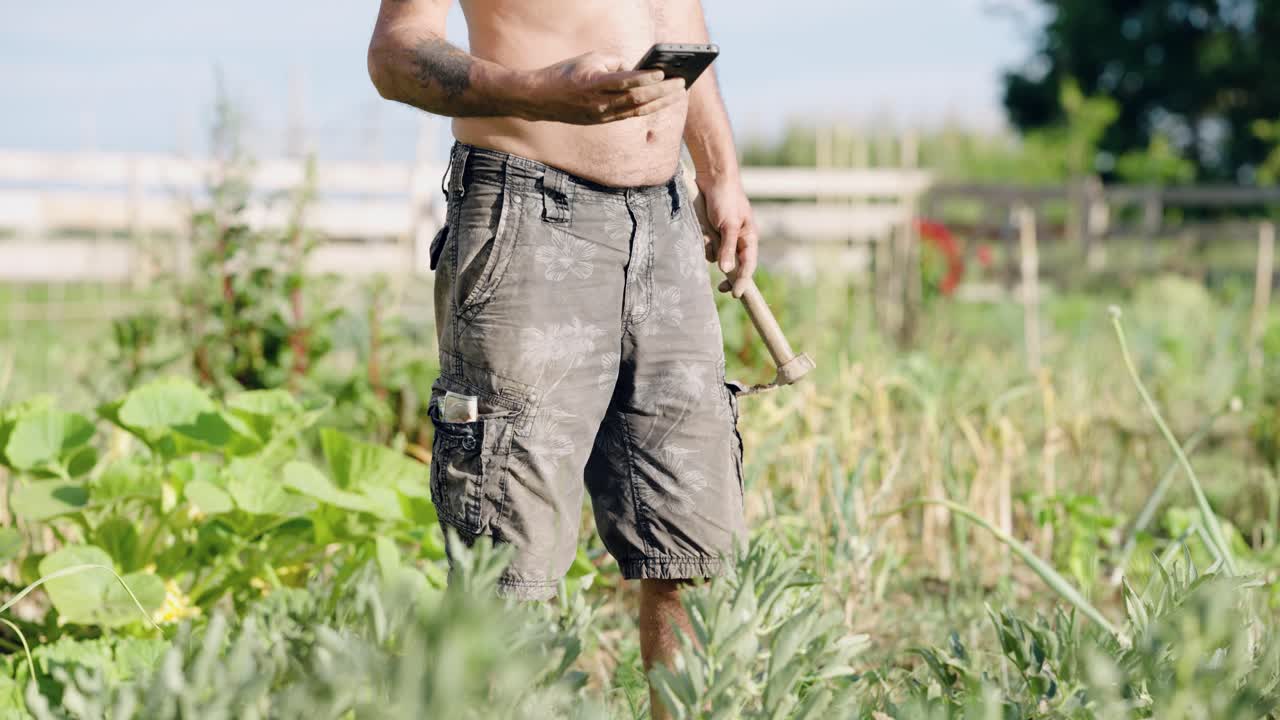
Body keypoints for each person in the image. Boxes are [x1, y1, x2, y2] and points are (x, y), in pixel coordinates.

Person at [367, 2, 758, 716]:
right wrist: (541, 93)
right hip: (528, 210)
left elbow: (680, 37)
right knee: (505, 561)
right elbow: (396, 54)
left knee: (692, 547)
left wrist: (719, 170)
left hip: (664, 222)